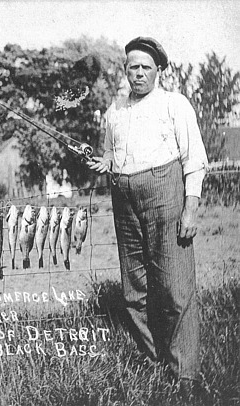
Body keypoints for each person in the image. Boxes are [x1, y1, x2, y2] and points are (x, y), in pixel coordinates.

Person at [89, 37, 208, 392]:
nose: (138, 74)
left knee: (174, 286)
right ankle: (152, 359)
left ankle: (186, 373)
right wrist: (105, 160)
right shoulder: (115, 110)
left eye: (145, 68)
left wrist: (190, 209)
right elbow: (109, 152)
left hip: (163, 190)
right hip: (123, 197)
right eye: (132, 68)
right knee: (134, 289)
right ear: (125, 71)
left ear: (158, 70)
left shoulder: (174, 104)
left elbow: (195, 160)